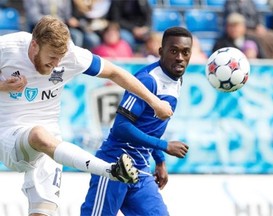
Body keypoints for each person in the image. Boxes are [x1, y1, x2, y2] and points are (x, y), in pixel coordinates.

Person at [0, 15, 173, 216]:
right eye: (52, 57)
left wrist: (155, 101)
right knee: (38, 134)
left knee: (42, 212)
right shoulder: (7, 47)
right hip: (9, 133)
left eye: (60, 58)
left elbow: (115, 72)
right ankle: (111, 171)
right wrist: (3, 86)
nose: (56, 64)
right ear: (34, 45)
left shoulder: (72, 55)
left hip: (51, 144)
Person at [81, 26, 191, 216]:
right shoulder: (148, 80)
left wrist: (159, 160)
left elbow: (150, 125)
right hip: (115, 165)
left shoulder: (176, 80)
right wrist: (164, 146)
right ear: (161, 52)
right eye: (173, 51)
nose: (180, 57)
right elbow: (121, 127)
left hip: (140, 169)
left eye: (185, 52)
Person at [23, 0, 100, 49]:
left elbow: (67, 15)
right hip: (41, 27)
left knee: (83, 37)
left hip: (61, 26)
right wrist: (53, 22)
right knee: (75, 36)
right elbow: (34, 16)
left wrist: (71, 21)